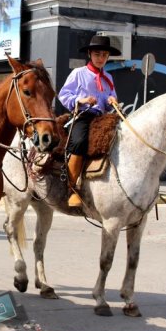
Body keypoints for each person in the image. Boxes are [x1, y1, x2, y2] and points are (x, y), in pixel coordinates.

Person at [58, 34, 121, 208]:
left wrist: (112, 100)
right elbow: (64, 95)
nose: (101, 58)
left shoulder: (109, 77)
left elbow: (111, 96)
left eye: (104, 55)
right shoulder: (78, 73)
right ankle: (72, 189)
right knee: (79, 142)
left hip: (103, 117)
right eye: (97, 54)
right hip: (84, 115)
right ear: (90, 54)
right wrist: (82, 100)